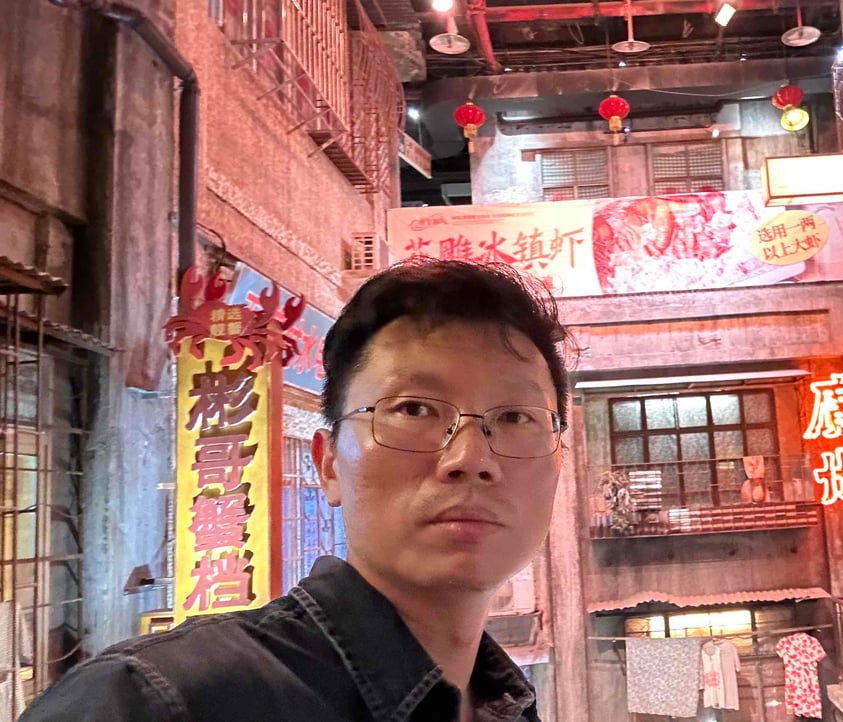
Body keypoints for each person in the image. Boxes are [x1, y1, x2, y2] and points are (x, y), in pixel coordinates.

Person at [21, 260, 572, 721]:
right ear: (328, 464)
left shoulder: (510, 708)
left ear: (557, 464)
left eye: (515, 417)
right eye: (414, 409)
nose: (471, 459)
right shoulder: (154, 701)